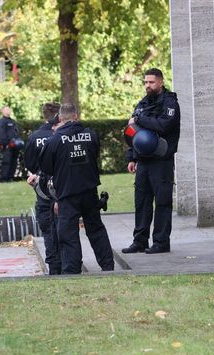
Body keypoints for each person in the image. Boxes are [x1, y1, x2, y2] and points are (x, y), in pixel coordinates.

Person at [39, 103, 114, 274]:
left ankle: (72, 270)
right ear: (76, 116)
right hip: (89, 190)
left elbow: (46, 168)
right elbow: (94, 155)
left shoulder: (54, 140)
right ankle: (108, 265)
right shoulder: (91, 135)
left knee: (68, 233)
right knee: (95, 228)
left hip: (67, 193)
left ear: (60, 118)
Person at [122, 68, 181, 254]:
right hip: (143, 161)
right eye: (145, 82)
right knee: (141, 201)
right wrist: (132, 156)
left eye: (151, 82)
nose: (148, 85)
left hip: (161, 161)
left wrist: (140, 119)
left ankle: (161, 242)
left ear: (160, 82)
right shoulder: (143, 103)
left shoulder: (170, 103)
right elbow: (132, 131)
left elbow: (163, 125)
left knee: (162, 202)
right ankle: (139, 241)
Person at [24, 102, 62, 275]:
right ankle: (68, 261)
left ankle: (54, 265)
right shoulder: (61, 135)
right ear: (59, 115)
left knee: (47, 229)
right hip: (63, 186)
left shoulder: (35, 136)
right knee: (64, 226)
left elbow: (29, 163)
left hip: (43, 189)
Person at [0, 105, 21, 182]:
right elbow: (1, 134)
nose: (8, 111)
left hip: (15, 145)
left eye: (9, 109)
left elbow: (16, 132)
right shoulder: (2, 122)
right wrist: (6, 143)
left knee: (14, 162)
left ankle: (10, 177)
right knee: (6, 162)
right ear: (2, 111)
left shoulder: (12, 121)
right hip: (7, 146)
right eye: (6, 109)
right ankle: (4, 179)